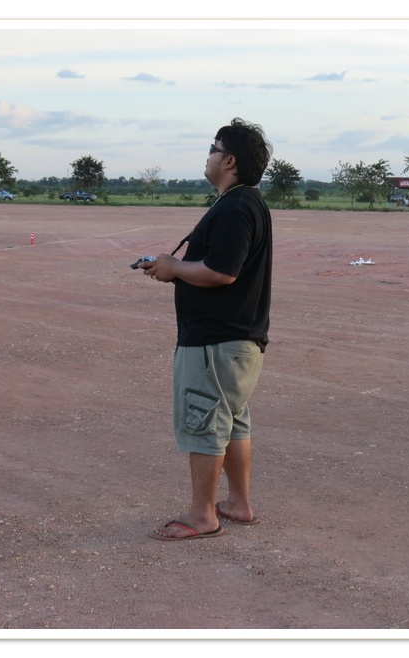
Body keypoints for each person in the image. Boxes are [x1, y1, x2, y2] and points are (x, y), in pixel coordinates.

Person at [141, 118, 273, 541]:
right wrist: (174, 268)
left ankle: (202, 515)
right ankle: (238, 504)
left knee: (204, 422)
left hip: (216, 341)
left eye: (213, 149)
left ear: (229, 161)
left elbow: (221, 272)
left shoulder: (235, 207)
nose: (208, 156)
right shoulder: (247, 202)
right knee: (232, 422)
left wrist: (174, 268)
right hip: (236, 340)